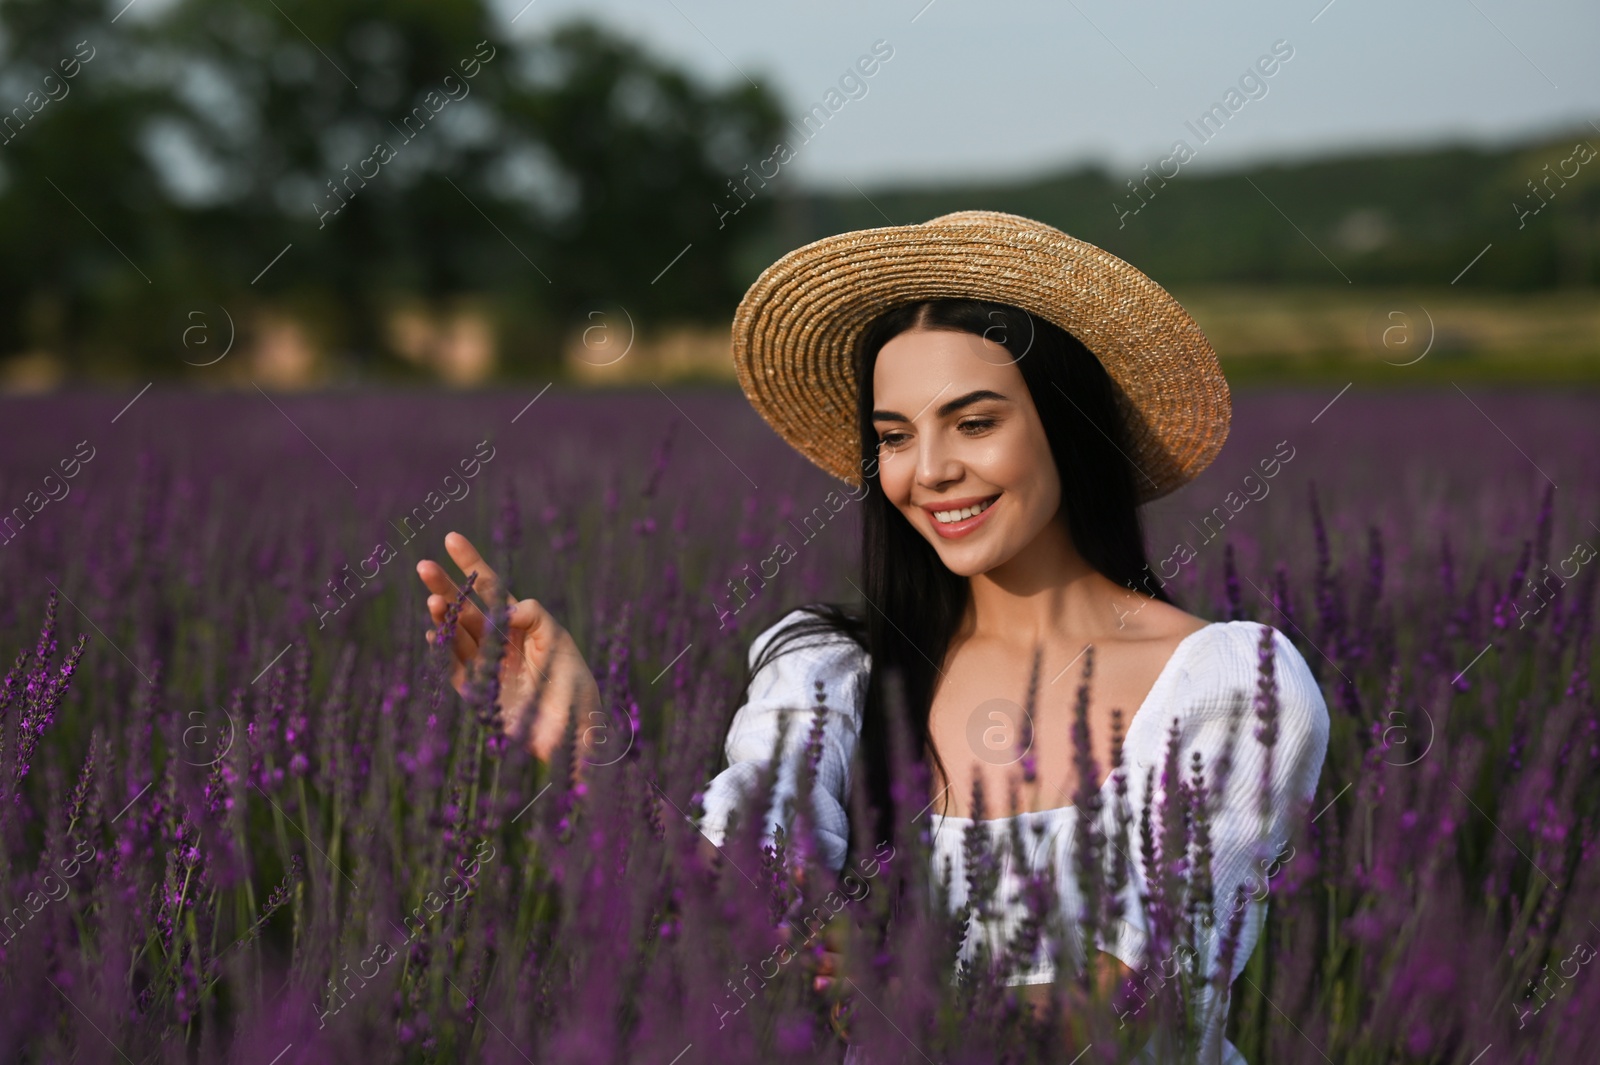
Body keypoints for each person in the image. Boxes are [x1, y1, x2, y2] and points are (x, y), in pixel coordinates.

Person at [414, 210, 1330, 1064]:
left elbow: (1148, 992)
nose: (930, 470)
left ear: (1071, 427)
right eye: (894, 435)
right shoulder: (833, 669)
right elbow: (738, 898)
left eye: (975, 422)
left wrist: (906, 990)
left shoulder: (1229, 683)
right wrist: (589, 752)